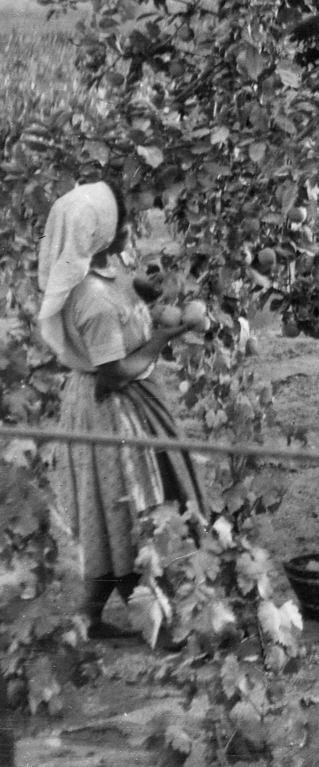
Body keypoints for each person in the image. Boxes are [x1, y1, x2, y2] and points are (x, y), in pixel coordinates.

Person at [37, 181, 208, 641]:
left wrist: (153, 292)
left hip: (131, 398)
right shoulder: (89, 299)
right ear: (96, 232)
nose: (128, 226)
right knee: (134, 506)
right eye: (119, 221)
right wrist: (163, 338)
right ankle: (161, 618)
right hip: (110, 405)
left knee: (116, 510)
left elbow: (126, 288)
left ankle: (90, 617)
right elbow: (113, 373)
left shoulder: (105, 267)